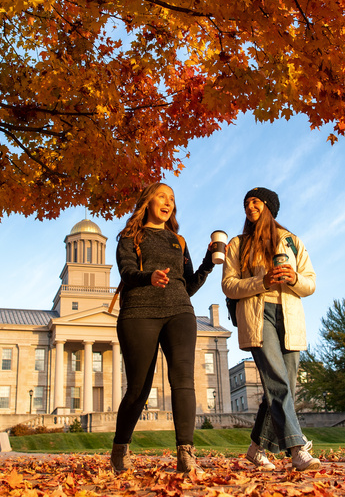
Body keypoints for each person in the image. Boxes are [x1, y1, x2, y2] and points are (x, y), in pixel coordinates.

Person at [110, 183, 216, 474]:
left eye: (172, 198)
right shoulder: (130, 237)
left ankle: (186, 455)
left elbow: (188, 285)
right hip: (138, 313)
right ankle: (120, 449)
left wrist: (208, 263)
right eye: (162, 196)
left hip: (180, 312)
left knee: (183, 381)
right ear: (148, 201)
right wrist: (150, 277)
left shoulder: (178, 241)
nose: (168, 202)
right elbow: (127, 272)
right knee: (138, 389)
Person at [222, 187, 320, 471]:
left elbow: (311, 283)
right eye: (246, 203)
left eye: (255, 201)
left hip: (289, 315)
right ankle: (297, 448)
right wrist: (261, 283)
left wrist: (294, 278)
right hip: (257, 313)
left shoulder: (292, 241)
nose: (249, 207)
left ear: (268, 206)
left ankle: (256, 448)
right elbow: (228, 284)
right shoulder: (238, 244)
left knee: (282, 385)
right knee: (277, 380)